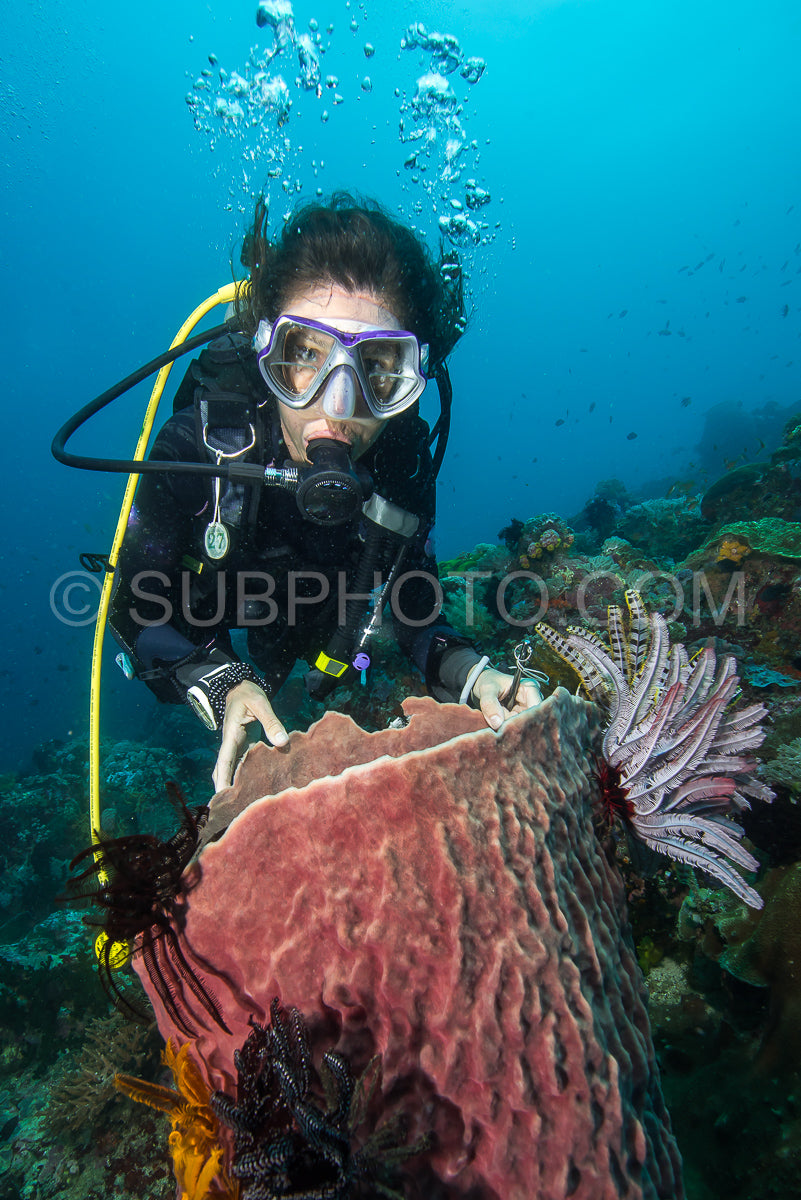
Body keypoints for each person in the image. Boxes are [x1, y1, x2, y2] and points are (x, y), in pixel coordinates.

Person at [109, 194, 541, 789]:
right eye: (305, 356)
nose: (337, 407)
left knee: (332, 667)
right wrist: (214, 677)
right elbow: (134, 611)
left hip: (336, 635)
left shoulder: (400, 462)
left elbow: (414, 605)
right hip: (227, 623)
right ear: (266, 351)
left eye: (380, 368)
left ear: (411, 381)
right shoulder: (200, 445)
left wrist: (469, 672)